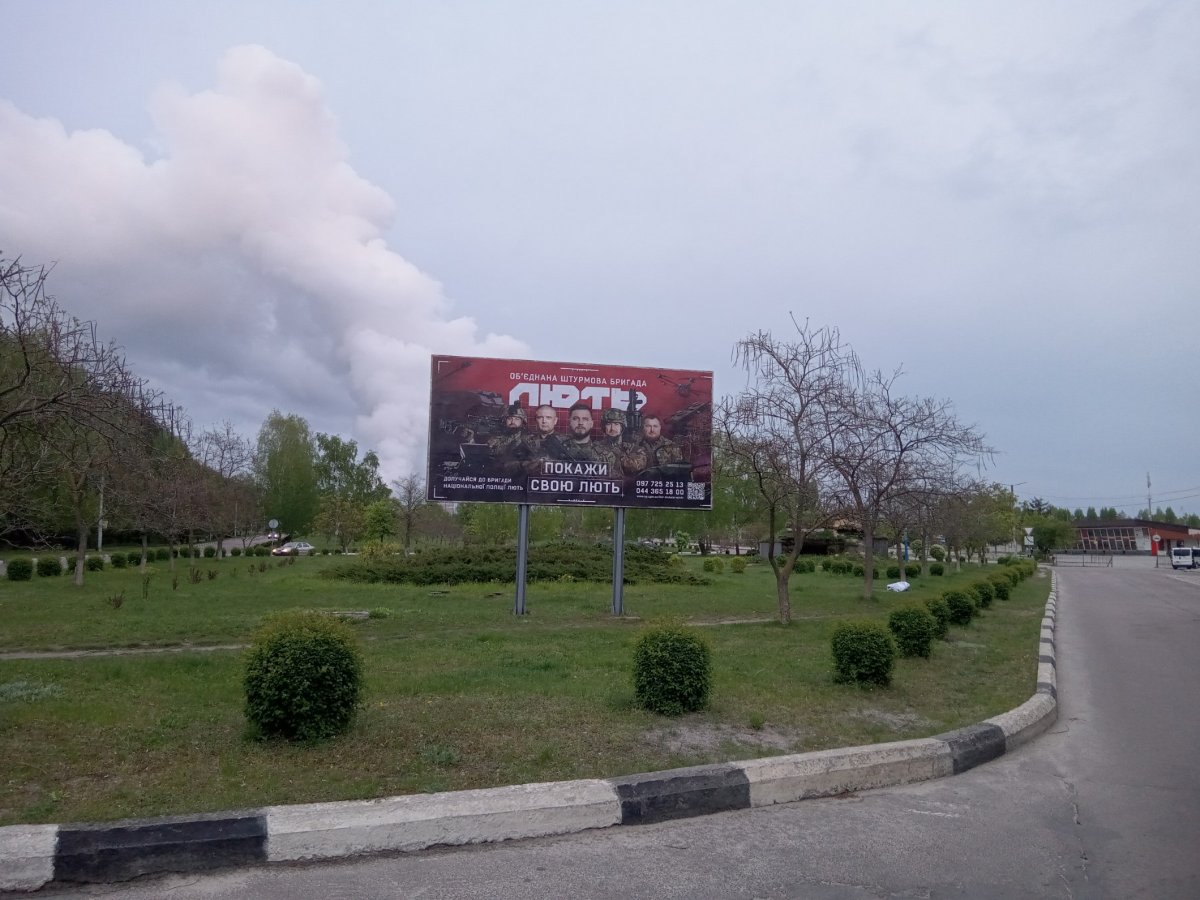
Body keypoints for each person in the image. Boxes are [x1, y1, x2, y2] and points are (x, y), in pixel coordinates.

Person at [597, 408, 647, 474]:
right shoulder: (595, 447)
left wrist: (619, 456)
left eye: (616, 424)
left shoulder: (633, 448)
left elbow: (638, 465)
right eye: (609, 424)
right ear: (604, 427)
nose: (612, 428)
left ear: (622, 427)